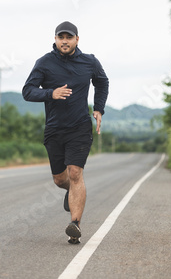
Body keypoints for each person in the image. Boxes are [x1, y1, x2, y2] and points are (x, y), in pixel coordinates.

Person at [22, 21, 109, 244]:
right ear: (55, 39)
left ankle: (75, 224)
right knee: (60, 179)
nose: (64, 41)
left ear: (76, 40)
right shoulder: (44, 63)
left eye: (69, 37)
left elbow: (102, 81)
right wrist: (51, 93)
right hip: (54, 128)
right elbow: (27, 91)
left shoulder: (89, 61)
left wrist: (98, 108)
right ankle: (71, 194)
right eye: (61, 37)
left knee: (75, 173)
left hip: (79, 127)